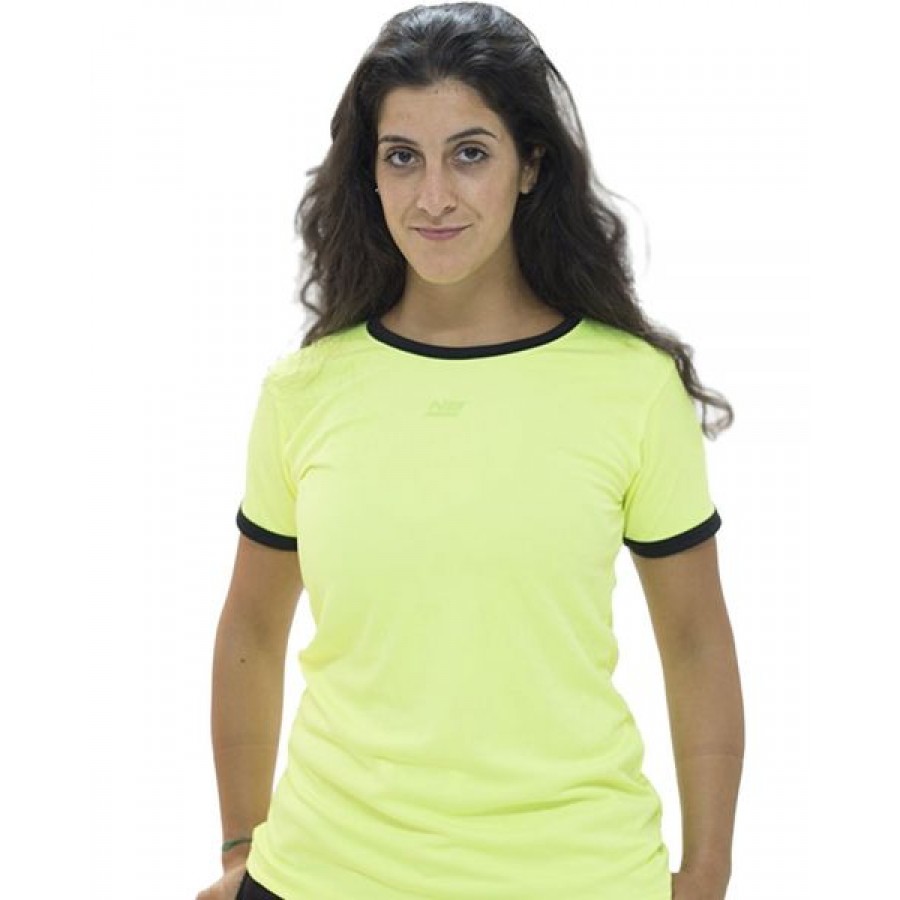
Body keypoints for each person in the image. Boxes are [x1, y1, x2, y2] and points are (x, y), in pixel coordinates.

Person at [196, 3, 744, 899]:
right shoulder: (305, 391)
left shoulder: (631, 387)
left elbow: (694, 639)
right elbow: (252, 626)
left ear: (531, 165)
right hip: (321, 874)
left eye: (471, 153)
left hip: (575, 876)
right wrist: (239, 846)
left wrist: (710, 871)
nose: (434, 197)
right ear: (369, 174)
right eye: (402, 157)